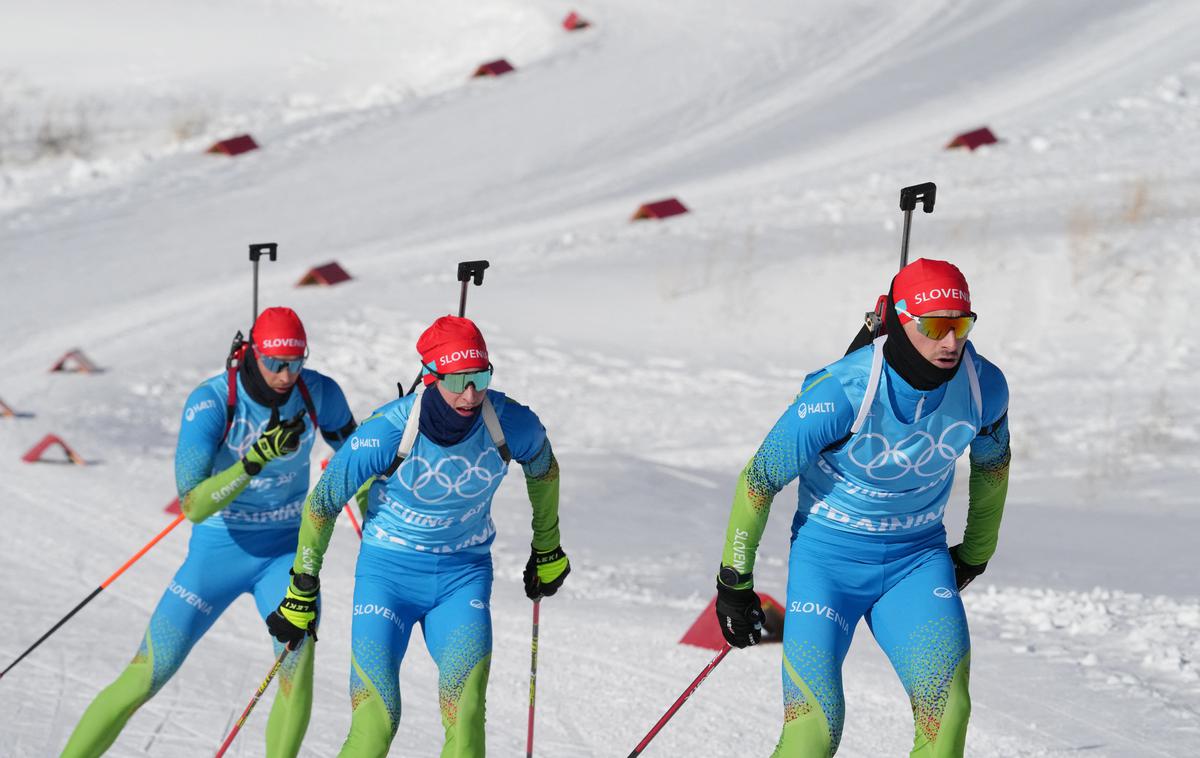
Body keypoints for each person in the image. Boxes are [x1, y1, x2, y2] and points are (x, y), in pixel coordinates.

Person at [715, 259, 1011, 757]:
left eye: (960, 325)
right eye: (934, 326)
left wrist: (976, 552)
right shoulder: (841, 391)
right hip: (826, 564)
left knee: (949, 714)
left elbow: (992, 471)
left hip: (915, 561)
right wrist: (733, 583)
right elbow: (759, 480)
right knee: (814, 732)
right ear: (898, 320)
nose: (950, 343)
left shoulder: (985, 387)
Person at [266, 315, 569, 757]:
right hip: (386, 578)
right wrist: (301, 588)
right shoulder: (388, 430)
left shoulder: (511, 422)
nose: (471, 393)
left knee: (465, 718)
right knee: (377, 723)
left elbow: (545, 471)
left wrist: (548, 547)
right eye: (459, 379)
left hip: (462, 578)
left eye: (480, 376)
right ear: (431, 376)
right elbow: (323, 502)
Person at [62, 307, 356, 758]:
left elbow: (362, 459)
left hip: (284, 558)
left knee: (296, 673)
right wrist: (251, 462)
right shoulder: (213, 401)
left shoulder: (318, 392)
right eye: (276, 363)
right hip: (217, 554)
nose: (286, 374)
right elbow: (193, 506)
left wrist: (377, 503)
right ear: (253, 354)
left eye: (296, 362)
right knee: (145, 677)